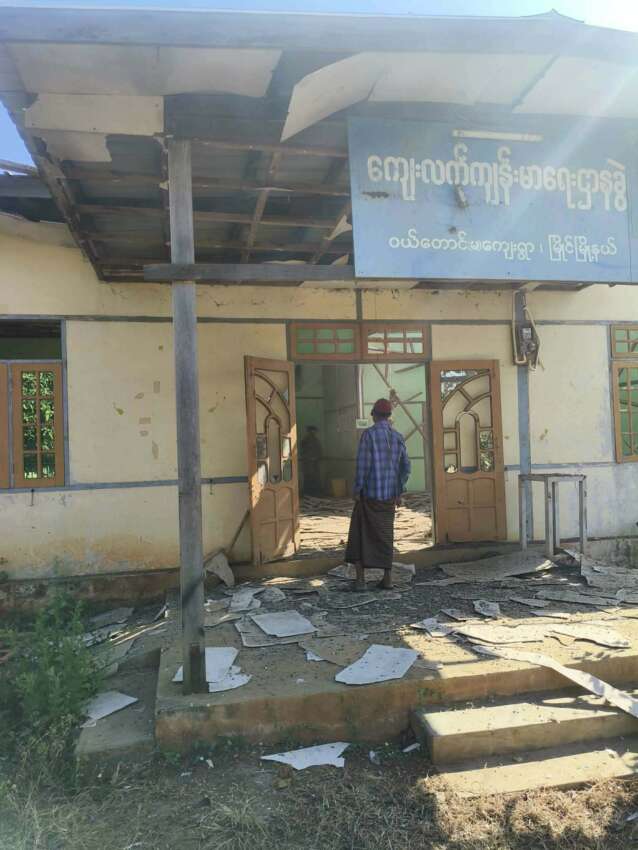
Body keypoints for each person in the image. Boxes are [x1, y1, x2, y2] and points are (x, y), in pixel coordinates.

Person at [345, 398, 411, 591]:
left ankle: (360, 581)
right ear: (389, 416)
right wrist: (399, 491)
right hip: (388, 498)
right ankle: (387, 579)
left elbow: (363, 466)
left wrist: (357, 489)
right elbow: (405, 468)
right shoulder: (398, 437)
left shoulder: (369, 435)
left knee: (359, 537)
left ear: (374, 415)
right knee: (385, 538)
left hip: (369, 497)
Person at [300, 425, 323, 496]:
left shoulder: (316, 440)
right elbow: (303, 450)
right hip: (308, 462)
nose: (313, 433)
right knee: (308, 477)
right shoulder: (305, 440)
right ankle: (308, 493)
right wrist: (308, 458)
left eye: (314, 431)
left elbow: (319, 450)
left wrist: (317, 457)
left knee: (315, 477)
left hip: (314, 462)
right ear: (308, 431)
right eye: (311, 431)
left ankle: (314, 492)